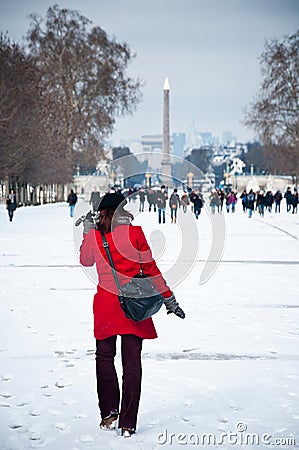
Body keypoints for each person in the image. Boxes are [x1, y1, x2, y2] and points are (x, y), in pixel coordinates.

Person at [79, 193, 185, 437]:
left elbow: (86, 262)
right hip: (134, 305)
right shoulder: (135, 233)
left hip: (107, 305)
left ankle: (108, 414)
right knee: (132, 362)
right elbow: (151, 269)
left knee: (104, 358)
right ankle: (128, 422)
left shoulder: (96, 235)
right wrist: (168, 298)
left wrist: (87, 232)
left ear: (101, 213)